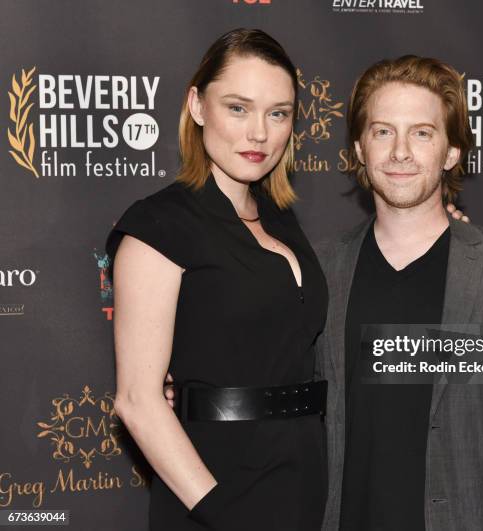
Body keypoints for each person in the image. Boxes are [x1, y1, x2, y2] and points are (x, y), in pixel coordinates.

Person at [312, 55, 483, 531]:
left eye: (421, 132)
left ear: (451, 152)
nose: (400, 152)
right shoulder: (320, 270)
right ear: (359, 146)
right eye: (382, 131)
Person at [106, 28, 333, 531]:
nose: (260, 133)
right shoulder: (159, 224)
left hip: (301, 480)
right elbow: (138, 400)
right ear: (197, 105)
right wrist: (221, 511)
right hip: (216, 491)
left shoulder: (280, 221)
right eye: (238, 108)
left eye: (278, 113)